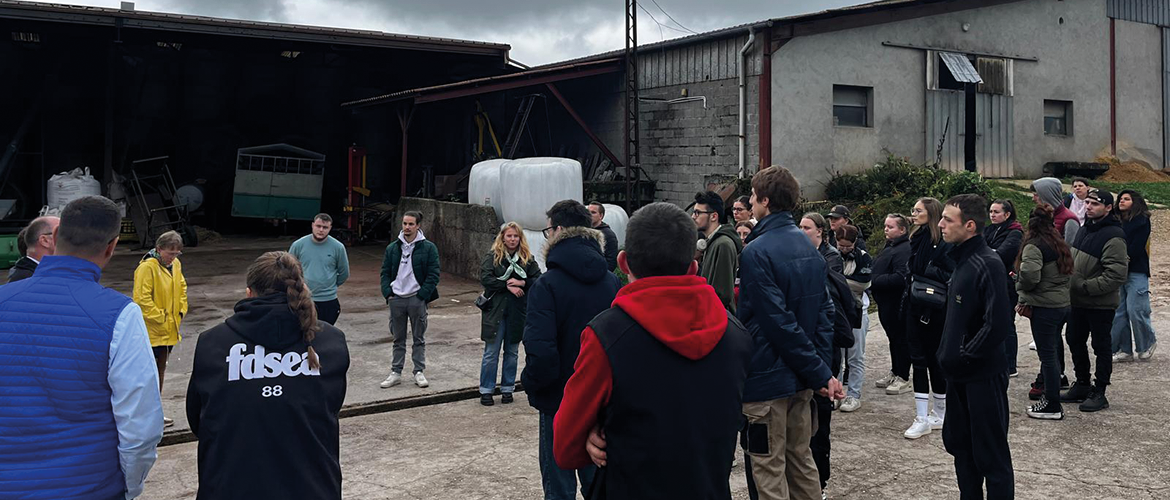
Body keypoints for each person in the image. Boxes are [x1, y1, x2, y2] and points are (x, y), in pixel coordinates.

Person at [553, 202, 753, 499]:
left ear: (623, 263)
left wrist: (592, 432)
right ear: (693, 266)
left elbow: (565, 449)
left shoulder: (606, 335)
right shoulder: (736, 335)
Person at [0, 196, 163, 500]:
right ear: (112, 247)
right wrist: (130, 485)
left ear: (56, 238)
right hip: (87, 487)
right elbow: (140, 428)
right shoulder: (119, 314)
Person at [186, 251, 350, 500]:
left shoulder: (213, 343)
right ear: (302, 287)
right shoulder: (330, 340)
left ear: (249, 293)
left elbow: (198, 420)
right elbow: (330, 405)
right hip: (313, 487)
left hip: (230, 487)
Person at [737, 166, 843, 500]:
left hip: (767, 379)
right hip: (801, 378)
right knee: (801, 459)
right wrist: (821, 371)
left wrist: (819, 373)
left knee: (768, 467)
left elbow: (777, 322)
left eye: (753, 197)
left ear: (765, 201)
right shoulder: (807, 247)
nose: (750, 204)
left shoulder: (756, 251)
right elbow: (825, 315)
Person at [522, 200, 621, 500]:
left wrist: (534, 386)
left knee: (558, 486)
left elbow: (540, 349)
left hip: (558, 400)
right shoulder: (612, 282)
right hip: (601, 399)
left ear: (560, 230)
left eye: (548, 229)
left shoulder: (546, 285)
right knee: (598, 483)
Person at [936, 194, 1015, 499]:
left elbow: (997, 325)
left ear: (969, 226)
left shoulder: (988, 263)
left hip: (982, 376)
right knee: (962, 452)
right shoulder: (961, 259)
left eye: (948, 220)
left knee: (991, 457)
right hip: (958, 376)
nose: (941, 225)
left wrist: (964, 357)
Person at [798, 212, 855, 497]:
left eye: (806, 228)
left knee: (820, 420)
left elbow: (828, 307)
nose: (801, 232)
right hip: (814, 346)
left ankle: (820, 479)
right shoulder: (801, 257)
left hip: (827, 344)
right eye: (799, 227)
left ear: (820, 232)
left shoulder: (828, 258)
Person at [1062, 188, 1128, 412]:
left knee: (1101, 346)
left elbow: (1116, 275)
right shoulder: (1084, 228)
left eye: (1095, 204)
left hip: (1099, 304)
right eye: (1088, 203)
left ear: (1108, 208)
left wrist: (1084, 287)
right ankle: (1082, 383)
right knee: (1074, 339)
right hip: (1077, 302)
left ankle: (1100, 390)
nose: (1089, 207)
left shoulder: (1114, 236)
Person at [1016, 204, 1073, 420]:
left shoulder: (1033, 246)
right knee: (1053, 352)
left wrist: (1019, 284)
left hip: (1045, 307)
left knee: (1047, 356)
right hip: (1062, 304)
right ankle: (1052, 398)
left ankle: (1052, 404)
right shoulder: (1058, 242)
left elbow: (1030, 277)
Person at [903, 197, 953, 439]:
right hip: (915, 305)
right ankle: (923, 415)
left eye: (918, 210)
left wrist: (926, 272)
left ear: (930, 213)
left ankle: (938, 413)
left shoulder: (942, 242)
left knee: (932, 360)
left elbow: (950, 273)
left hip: (934, 308)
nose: (914, 214)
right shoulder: (917, 238)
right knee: (919, 360)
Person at [478, 222, 542, 406]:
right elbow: (486, 278)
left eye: (516, 236)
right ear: (503, 237)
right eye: (509, 236)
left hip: (516, 311)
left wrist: (522, 283)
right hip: (495, 311)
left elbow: (537, 279)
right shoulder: (493, 256)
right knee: (491, 352)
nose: (512, 239)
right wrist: (507, 286)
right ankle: (486, 389)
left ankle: (508, 388)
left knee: (512, 352)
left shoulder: (527, 259)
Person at [133, 230, 189, 428]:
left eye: (176, 253)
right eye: (169, 253)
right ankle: (146, 415)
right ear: (159, 249)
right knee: (150, 374)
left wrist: (181, 310)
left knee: (161, 371)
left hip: (170, 330)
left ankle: (155, 413)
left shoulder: (175, 265)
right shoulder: (147, 268)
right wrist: (161, 317)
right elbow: (141, 299)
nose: (173, 257)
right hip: (153, 332)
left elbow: (182, 288)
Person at [379, 211, 441, 389]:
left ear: (418, 225)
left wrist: (422, 295)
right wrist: (388, 293)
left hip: (416, 298)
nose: (407, 227)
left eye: (411, 224)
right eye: (405, 223)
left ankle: (419, 371)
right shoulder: (392, 248)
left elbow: (434, 274)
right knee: (397, 338)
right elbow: (384, 272)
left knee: (418, 337)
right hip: (396, 298)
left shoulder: (428, 248)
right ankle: (396, 372)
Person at [1111, 189, 1157, 362]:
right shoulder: (1114, 221)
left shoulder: (1141, 221)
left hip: (1136, 269)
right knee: (1119, 312)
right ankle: (1124, 349)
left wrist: (1120, 259)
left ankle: (1146, 343)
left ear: (1135, 202)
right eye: (1121, 199)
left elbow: (1136, 247)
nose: (1122, 201)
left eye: (1127, 199)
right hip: (1116, 271)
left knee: (1136, 309)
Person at [872, 214, 913, 395]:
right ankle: (895, 370)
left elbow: (901, 277)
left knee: (900, 339)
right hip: (885, 302)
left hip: (896, 302)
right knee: (893, 339)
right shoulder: (890, 245)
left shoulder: (904, 248)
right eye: (885, 226)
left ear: (902, 230)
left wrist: (876, 280)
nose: (886, 229)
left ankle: (903, 376)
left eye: (891, 227)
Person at [984, 199, 1023, 377]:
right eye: (991, 211)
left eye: (996, 212)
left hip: (1007, 284)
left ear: (1007, 214)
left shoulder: (1015, 232)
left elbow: (1001, 254)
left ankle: (1010, 364)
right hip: (989, 282)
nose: (992, 215)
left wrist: (989, 252)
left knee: (1007, 324)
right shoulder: (989, 229)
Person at [289, 213, 350, 325]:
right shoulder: (298, 245)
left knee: (324, 335)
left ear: (330, 228)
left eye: (325, 227)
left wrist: (330, 286)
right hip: (303, 299)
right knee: (302, 334)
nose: (321, 230)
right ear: (312, 225)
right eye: (318, 226)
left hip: (328, 301)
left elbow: (344, 272)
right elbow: (288, 271)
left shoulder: (338, 247)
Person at [837, 225, 872, 413]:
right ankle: (837, 393)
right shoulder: (832, 255)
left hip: (858, 309)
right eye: (840, 246)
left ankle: (854, 394)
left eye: (847, 247)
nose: (843, 250)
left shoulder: (863, 257)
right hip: (838, 311)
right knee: (838, 355)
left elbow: (863, 283)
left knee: (856, 355)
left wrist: (839, 282)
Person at [694, 191, 743, 313]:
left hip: (717, 318)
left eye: (697, 213)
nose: (693, 216)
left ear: (714, 216)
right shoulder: (712, 242)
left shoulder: (723, 244)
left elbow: (722, 294)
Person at [6, 215, 59, 283]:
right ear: (45, 240)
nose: (69, 238)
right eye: (62, 233)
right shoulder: (27, 280)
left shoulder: (35, 274)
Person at [1032, 177, 1080, 244]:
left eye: (1036, 195)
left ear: (1048, 196)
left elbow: (1069, 250)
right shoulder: (1039, 215)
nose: (1033, 199)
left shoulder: (1070, 220)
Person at [588, 202, 620, 271]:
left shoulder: (608, 235)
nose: (589, 215)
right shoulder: (582, 231)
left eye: (593, 212)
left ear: (601, 216)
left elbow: (611, 262)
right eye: (588, 212)